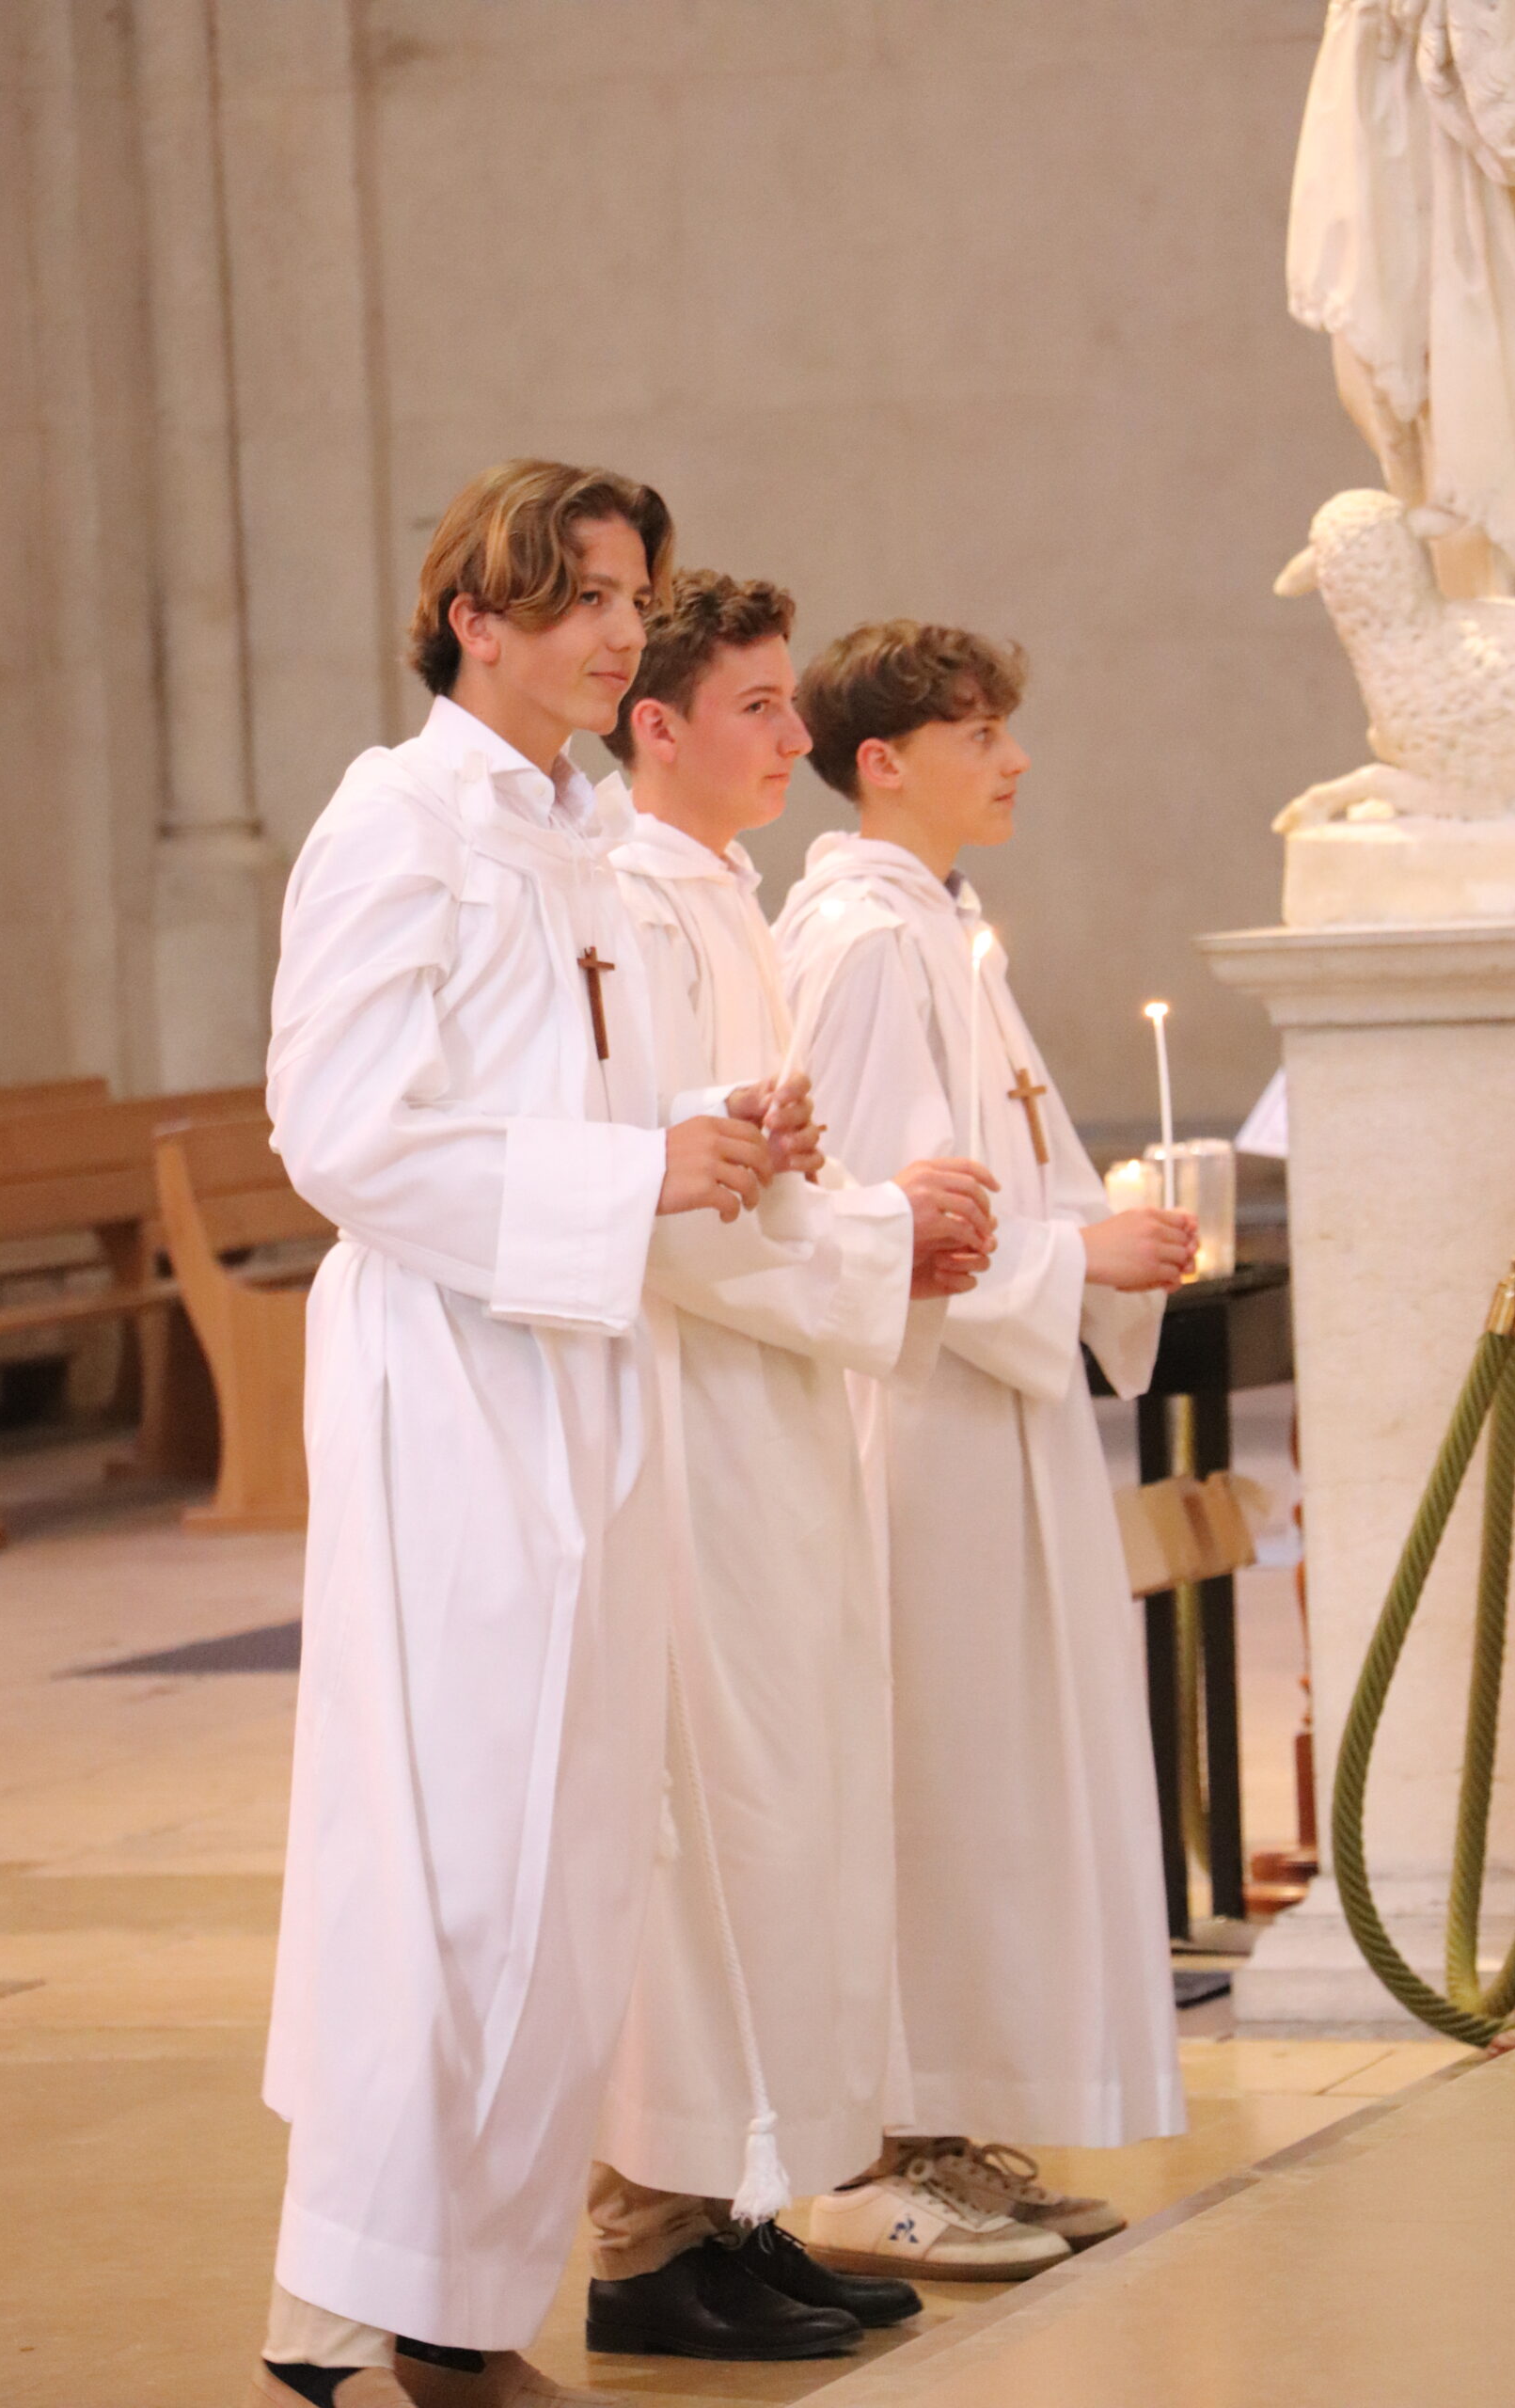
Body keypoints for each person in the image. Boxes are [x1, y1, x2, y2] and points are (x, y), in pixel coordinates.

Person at [251, 462, 803, 2408]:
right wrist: (628, 1174)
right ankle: (380, 2315)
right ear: (471, 618)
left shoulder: (575, 836)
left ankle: (449, 2303)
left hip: (581, 1371)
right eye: (577, 596)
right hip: (456, 1379)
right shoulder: (397, 822)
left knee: (565, 1861)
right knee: (452, 1853)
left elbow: (580, 1108)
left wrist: (713, 1135)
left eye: (631, 596)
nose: (615, 631)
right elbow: (337, 1131)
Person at [581, 570, 1031, 2360]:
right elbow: (666, 1205)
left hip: (771, 1403)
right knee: (709, 1825)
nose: (795, 737)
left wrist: (867, 1212)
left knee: (786, 1819)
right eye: (758, 707)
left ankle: (739, 2204)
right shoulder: (629, 906)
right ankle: (644, 2244)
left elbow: (763, 1171)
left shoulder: (728, 897)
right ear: (658, 726)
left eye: (790, 702)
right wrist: (876, 1234)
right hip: (692, 1415)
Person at [776, 619, 1196, 2281]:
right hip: (916, 1430)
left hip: (989, 1421)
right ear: (883, 764)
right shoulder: (866, 946)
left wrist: (1107, 1242)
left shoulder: (947, 932)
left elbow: (1001, 1185)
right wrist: (1072, 1262)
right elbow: (876, 1221)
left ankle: (942, 2126)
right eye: (977, 732)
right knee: (923, 1770)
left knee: (986, 1781)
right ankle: (868, 2152)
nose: (1014, 758)